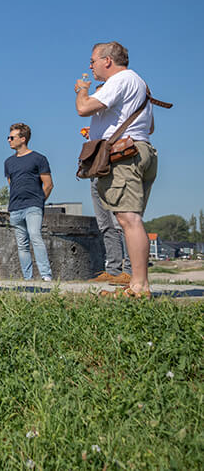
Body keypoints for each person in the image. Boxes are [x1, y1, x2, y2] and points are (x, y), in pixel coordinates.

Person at [75, 41, 158, 299]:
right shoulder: (140, 84)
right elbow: (150, 126)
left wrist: (82, 91)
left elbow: (83, 108)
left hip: (124, 157)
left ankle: (139, 286)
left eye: (93, 61)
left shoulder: (119, 80)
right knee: (131, 220)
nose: (91, 66)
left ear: (107, 60)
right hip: (142, 149)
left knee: (128, 220)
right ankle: (137, 282)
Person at [4, 123, 54, 281]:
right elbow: (12, 184)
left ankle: (46, 276)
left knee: (35, 236)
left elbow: (49, 185)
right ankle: (28, 278)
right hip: (15, 208)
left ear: (23, 139)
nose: (9, 140)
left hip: (33, 206)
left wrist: (38, 202)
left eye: (12, 137)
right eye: (8, 137)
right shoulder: (8, 162)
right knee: (22, 245)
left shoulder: (39, 159)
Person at [88, 178, 131, 284]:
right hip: (95, 174)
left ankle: (130, 272)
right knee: (105, 225)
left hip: (115, 172)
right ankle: (113, 271)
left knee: (123, 224)